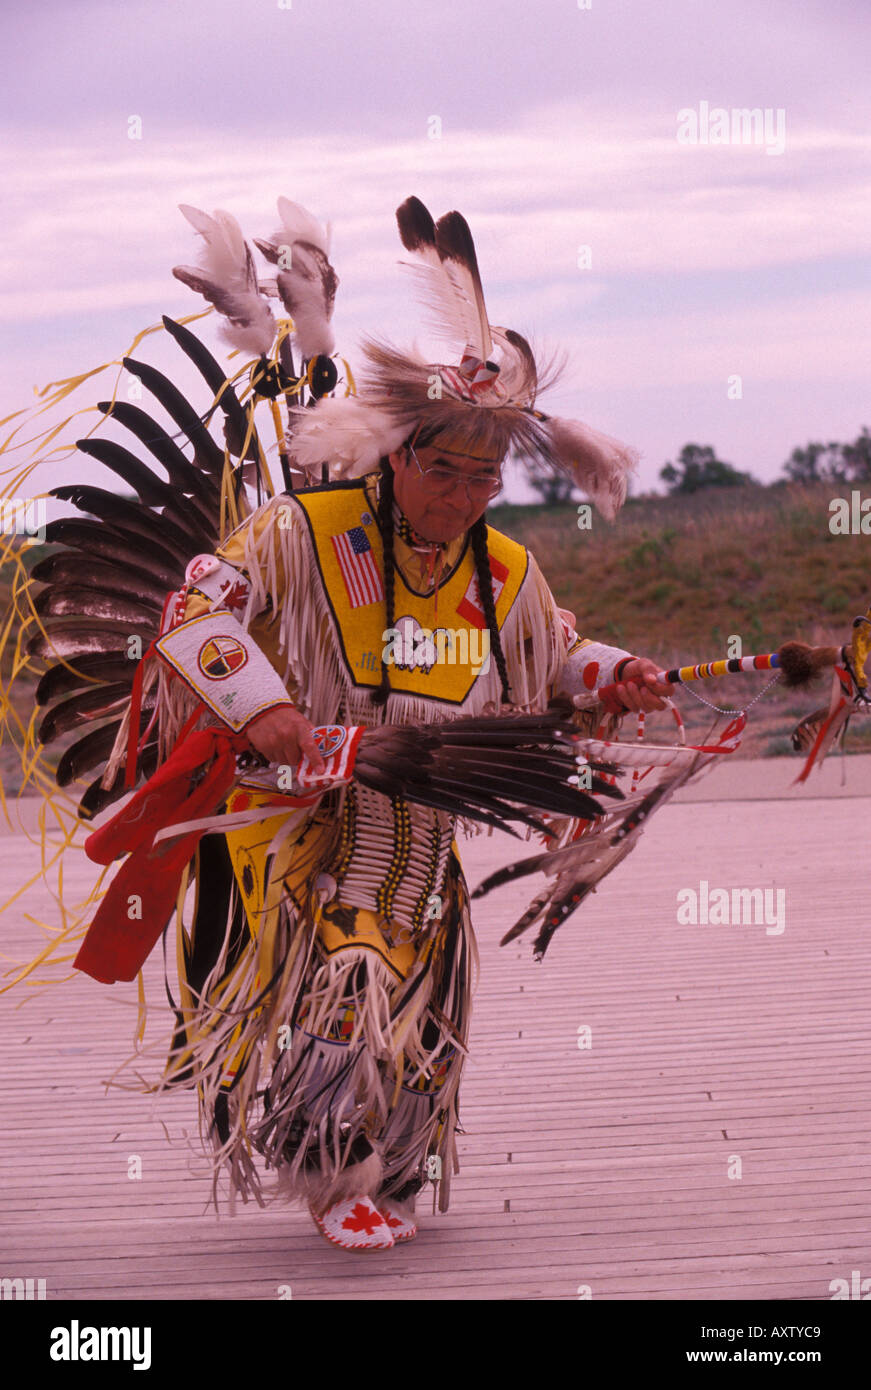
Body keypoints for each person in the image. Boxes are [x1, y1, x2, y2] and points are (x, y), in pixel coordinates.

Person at [115, 196, 671, 1251]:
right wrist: (268, 710)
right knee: (349, 976)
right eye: (443, 470)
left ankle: (396, 1161)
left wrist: (620, 674)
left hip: (430, 834)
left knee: (425, 1012)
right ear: (398, 456)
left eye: (484, 477)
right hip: (314, 827)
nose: (464, 495)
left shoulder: (502, 568)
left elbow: (552, 657)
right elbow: (195, 612)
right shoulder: (306, 532)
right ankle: (334, 1176)